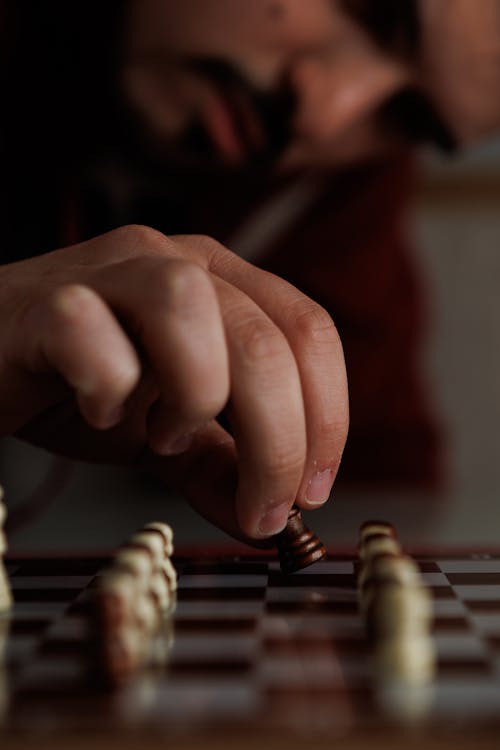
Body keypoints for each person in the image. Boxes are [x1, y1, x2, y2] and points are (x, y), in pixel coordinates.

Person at [0, 0, 499, 544]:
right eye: (374, 11)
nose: (325, 116)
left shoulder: (338, 197)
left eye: (410, 117)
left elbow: (378, 494)